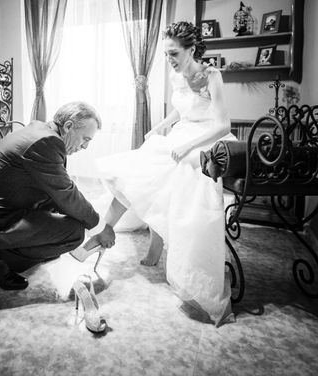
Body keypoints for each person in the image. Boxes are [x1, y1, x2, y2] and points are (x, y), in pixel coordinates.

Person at [82, 21, 236, 324]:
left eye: (174, 54)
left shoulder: (212, 76)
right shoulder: (175, 74)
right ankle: (106, 229)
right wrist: (161, 126)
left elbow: (223, 125)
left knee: (176, 172)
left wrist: (190, 144)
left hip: (207, 140)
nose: (170, 60)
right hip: (181, 134)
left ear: (191, 49)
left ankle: (161, 242)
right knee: (137, 167)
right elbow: (182, 109)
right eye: (167, 55)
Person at [0, 101, 115, 290]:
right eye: (85, 139)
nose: (85, 146)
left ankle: (27, 249)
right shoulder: (46, 142)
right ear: (69, 126)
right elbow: (67, 194)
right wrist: (100, 227)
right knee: (73, 233)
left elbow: (58, 191)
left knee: (61, 213)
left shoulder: (41, 131)